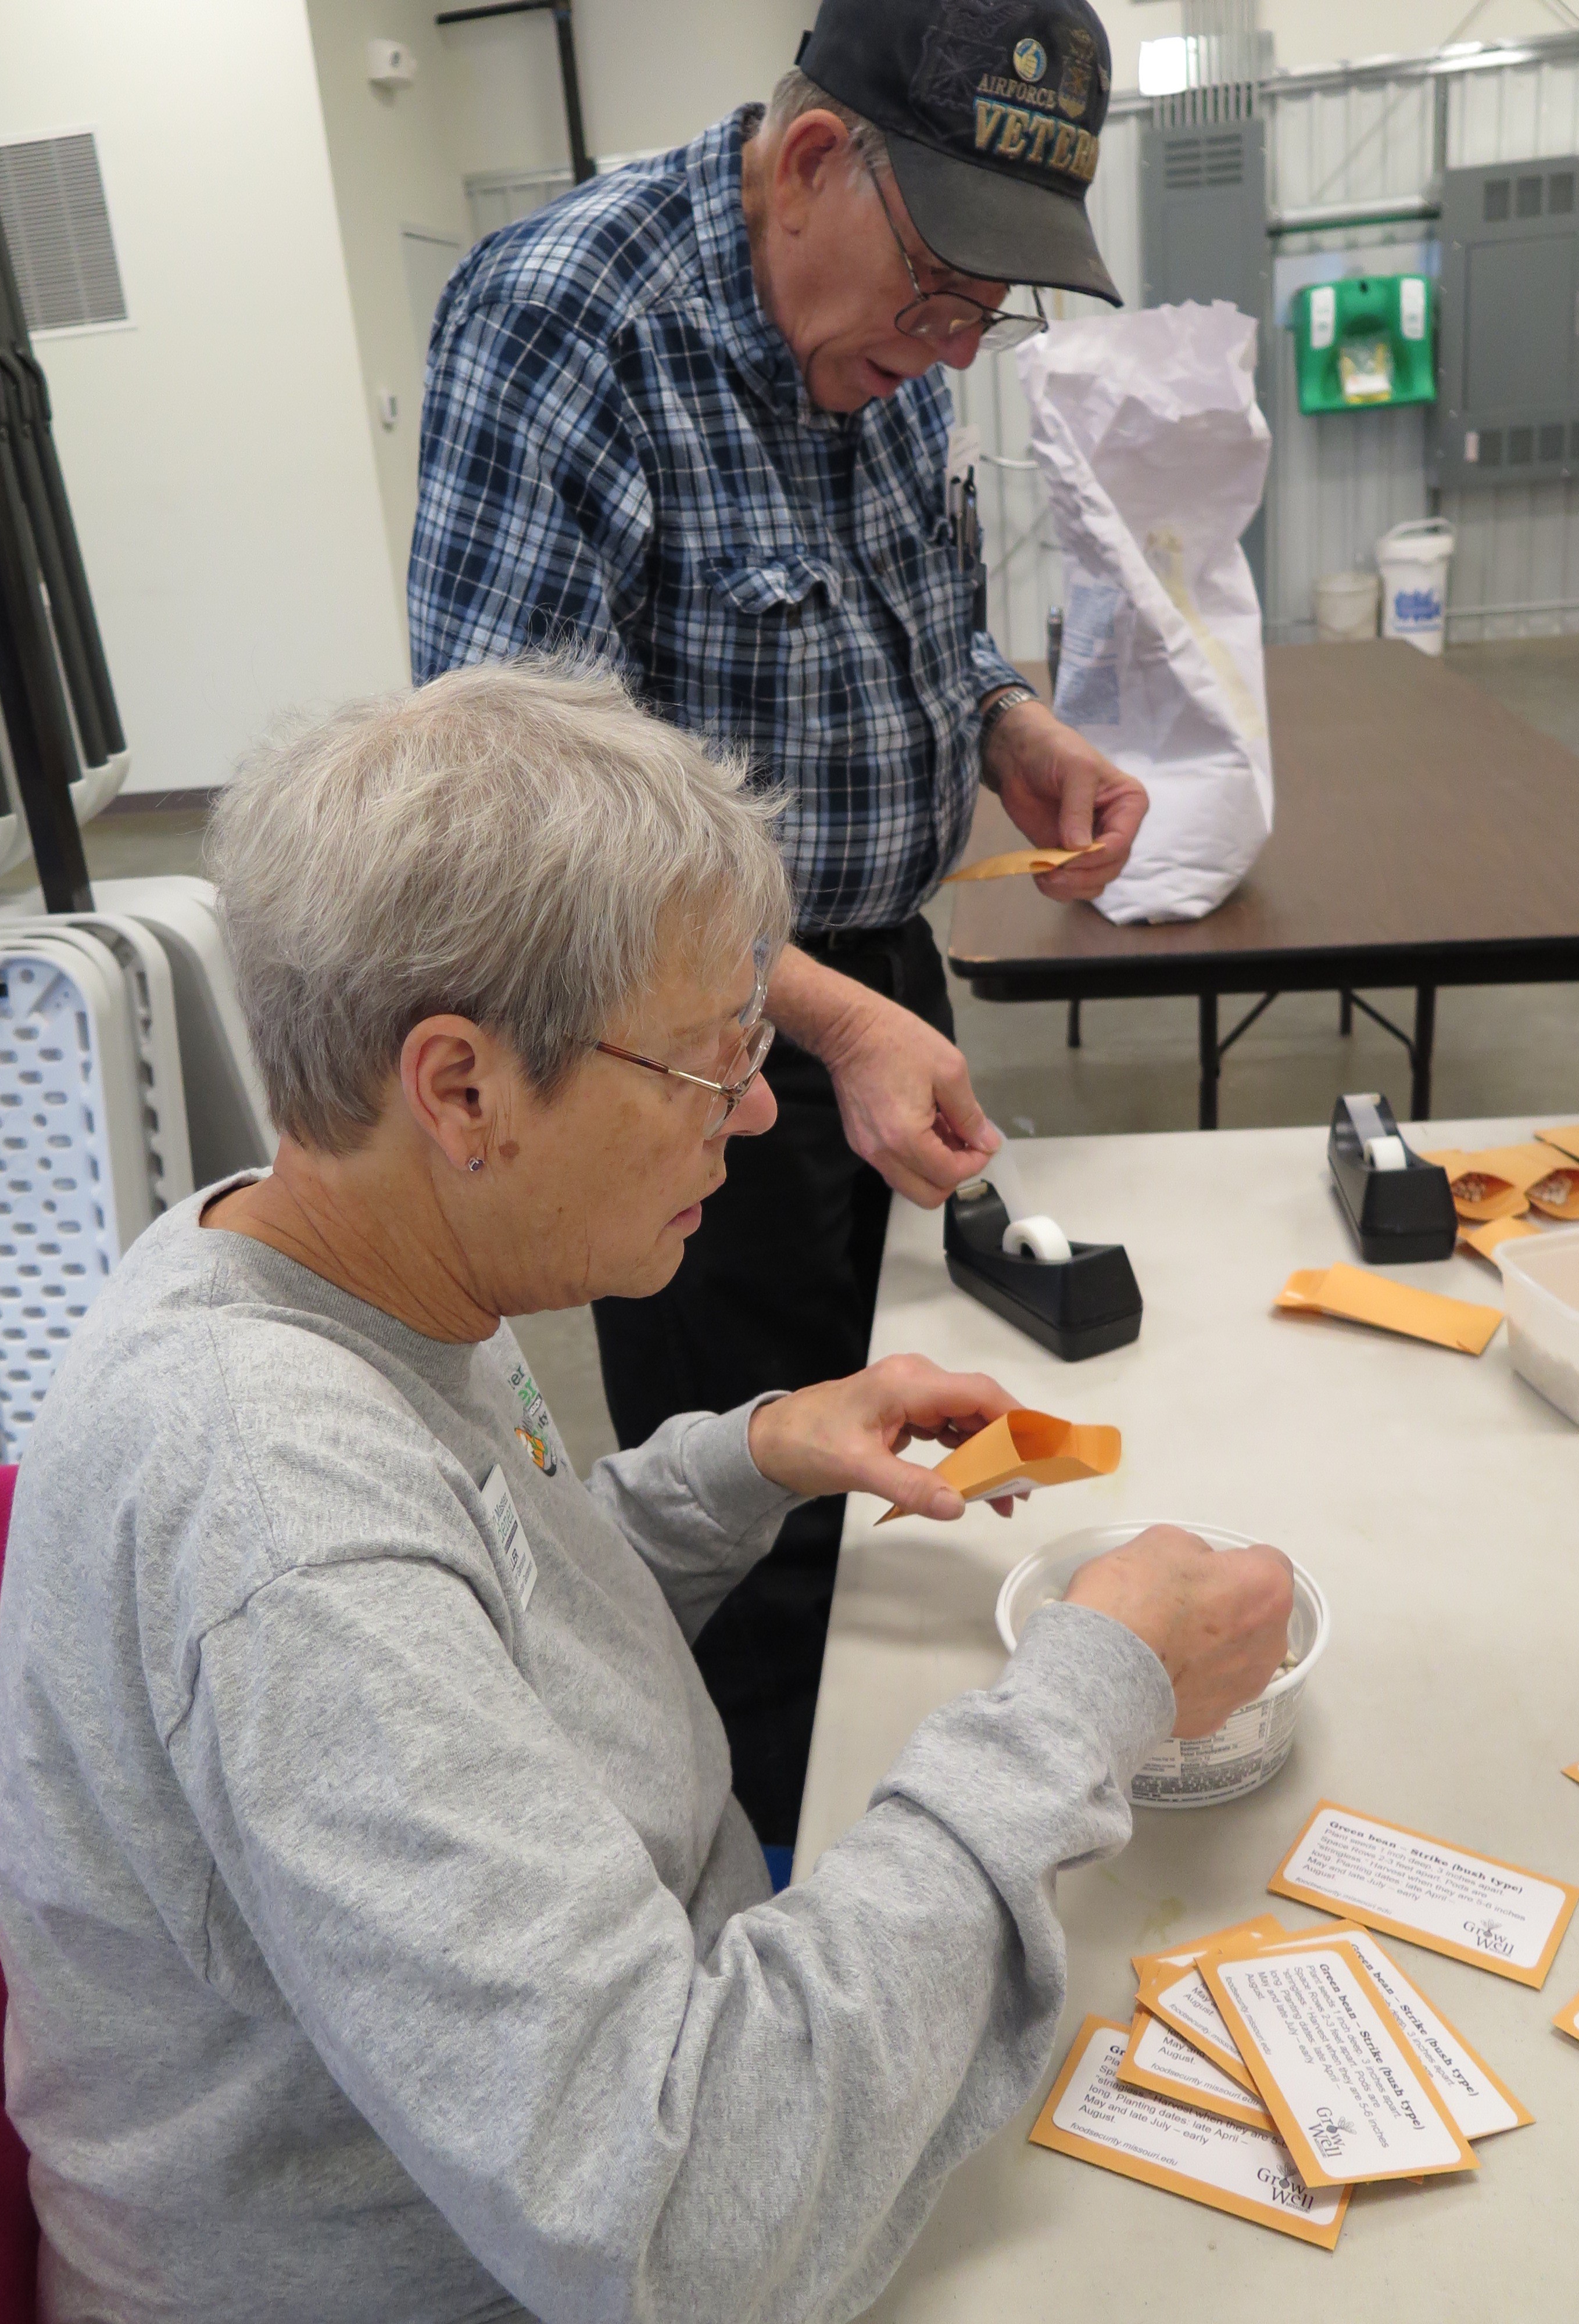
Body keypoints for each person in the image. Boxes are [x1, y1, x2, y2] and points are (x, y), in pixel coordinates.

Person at [0, 661, 1290, 2324]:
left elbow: (488, 1625)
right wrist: (1091, 1699)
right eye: (701, 1067)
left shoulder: (335, 1257)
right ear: (458, 1089)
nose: (753, 1115)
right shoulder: (275, 1513)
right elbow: (677, 2219)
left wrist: (740, 1463)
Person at [408, 0, 1151, 1846]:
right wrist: (810, 1021)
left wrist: (1011, 726)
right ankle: (758, 1892)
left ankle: (893, 1800)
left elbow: (922, 614)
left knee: (891, 1411)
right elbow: (526, 807)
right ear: (817, 161)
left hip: (864, 976)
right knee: (755, 1511)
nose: (951, 345)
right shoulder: (570, 320)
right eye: (943, 292)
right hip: (682, 1040)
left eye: (994, 312)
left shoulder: (882, 332)